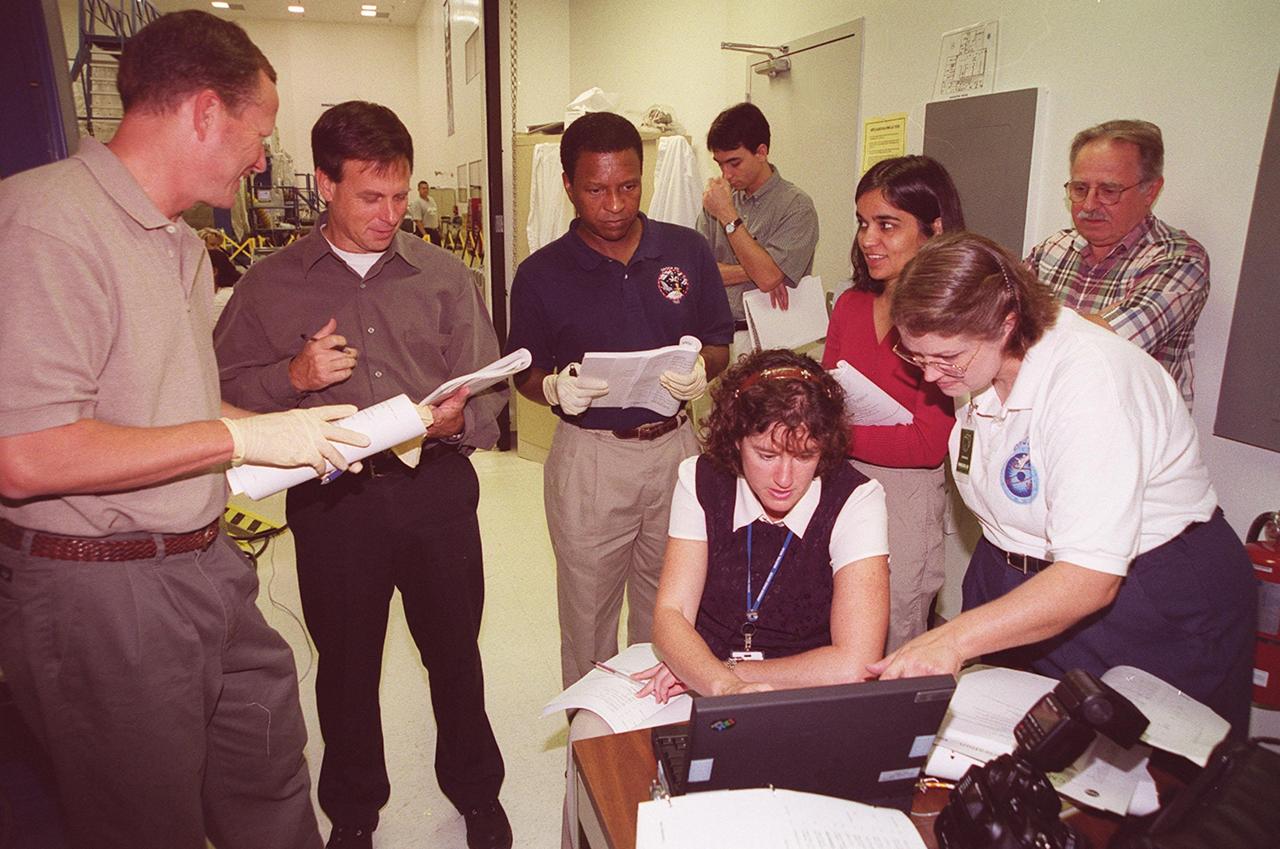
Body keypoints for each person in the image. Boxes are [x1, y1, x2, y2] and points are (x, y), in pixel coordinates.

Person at [0, 11, 374, 849]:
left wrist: (296, 428)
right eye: (258, 132)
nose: (259, 156)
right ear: (206, 111)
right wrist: (240, 442)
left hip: (202, 560)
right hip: (100, 590)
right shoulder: (45, 224)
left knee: (268, 762)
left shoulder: (181, 245)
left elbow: (183, 412)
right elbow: (24, 455)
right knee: (143, 819)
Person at [214, 102, 511, 849]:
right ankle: (352, 809)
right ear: (323, 184)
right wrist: (293, 373)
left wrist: (456, 415)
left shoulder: (444, 275)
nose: (390, 214)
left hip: (436, 489)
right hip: (334, 498)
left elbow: (491, 388)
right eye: (370, 197)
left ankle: (476, 791)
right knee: (344, 666)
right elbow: (215, 390)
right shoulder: (268, 284)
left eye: (401, 195)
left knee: (455, 653)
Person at [870, 233, 1256, 735]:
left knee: (1147, 775)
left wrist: (955, 638)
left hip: (1148, 597)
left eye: (946, 358)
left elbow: (1090, 578)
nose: (929, 376)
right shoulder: (972, 369)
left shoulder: (1092, 380)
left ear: (1007, 324)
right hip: (1022, 580)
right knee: (1011, 752)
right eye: (917, 356)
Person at [562, 349, 890, 849]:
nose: (785, 478)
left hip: (797, 682)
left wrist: (724, 677)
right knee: (591, 733)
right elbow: (670, 615)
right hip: (704, 673)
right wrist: (715, 680)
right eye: (766, 454)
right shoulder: (699, 478)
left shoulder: (858, 499)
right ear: (736, 440)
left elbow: (856, 661)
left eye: (805, 456)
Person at [506, 111, 735, 690]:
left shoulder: (685, 251)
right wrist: (553, 388)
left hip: (676, 450)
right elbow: (524, 372)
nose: (614, 203)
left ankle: (651, 754)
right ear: (567, 187)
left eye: (628, 186)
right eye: (596, 189)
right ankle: (591, 761)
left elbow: (718, 342)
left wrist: (702, 373)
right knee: (588, 622)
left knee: (672, 617)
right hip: (591, 460)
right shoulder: (540, 274)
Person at [822, 155, 964, 652]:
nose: (868, 239)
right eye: (863, 224)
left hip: (905, 497)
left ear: (934, 230)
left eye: (887, 225)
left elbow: (928, 445)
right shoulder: (851, 304)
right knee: (835, 624)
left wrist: (832, 435)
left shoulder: (952, 320)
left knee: (896, 635)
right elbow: (827, 394)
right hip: (838, 479)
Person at [1026, 120, 1208, 407]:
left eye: (1109, 191)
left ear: (1150, 191)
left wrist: (1016, 325)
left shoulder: (1179, 259)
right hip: (1046, 426)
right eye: (1079, 188)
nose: (1088, 205)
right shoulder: (1051, 250)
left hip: (1127, 437)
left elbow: (1101, 345)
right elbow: (993, 320)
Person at [695, 102, 818, 353]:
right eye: (720, 164)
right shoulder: (716, 200)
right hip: (717, 336)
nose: (726, 174)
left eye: (734, 163)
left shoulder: (797, 206)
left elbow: (768, 276)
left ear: (761, 152)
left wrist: (728, 215)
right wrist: (760, 269)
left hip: (773, 339)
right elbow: (698, 273)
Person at [410, 179, 442, 244]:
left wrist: (439, 229)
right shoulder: (417, 203)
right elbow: (418, 221)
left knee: (437, 253)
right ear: (419, 190)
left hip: (434, 231)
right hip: (425, 231)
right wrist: (425, 235)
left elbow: (435, 215)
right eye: (423, 188)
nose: (426, 190)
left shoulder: (431, 200)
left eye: (427, 188)